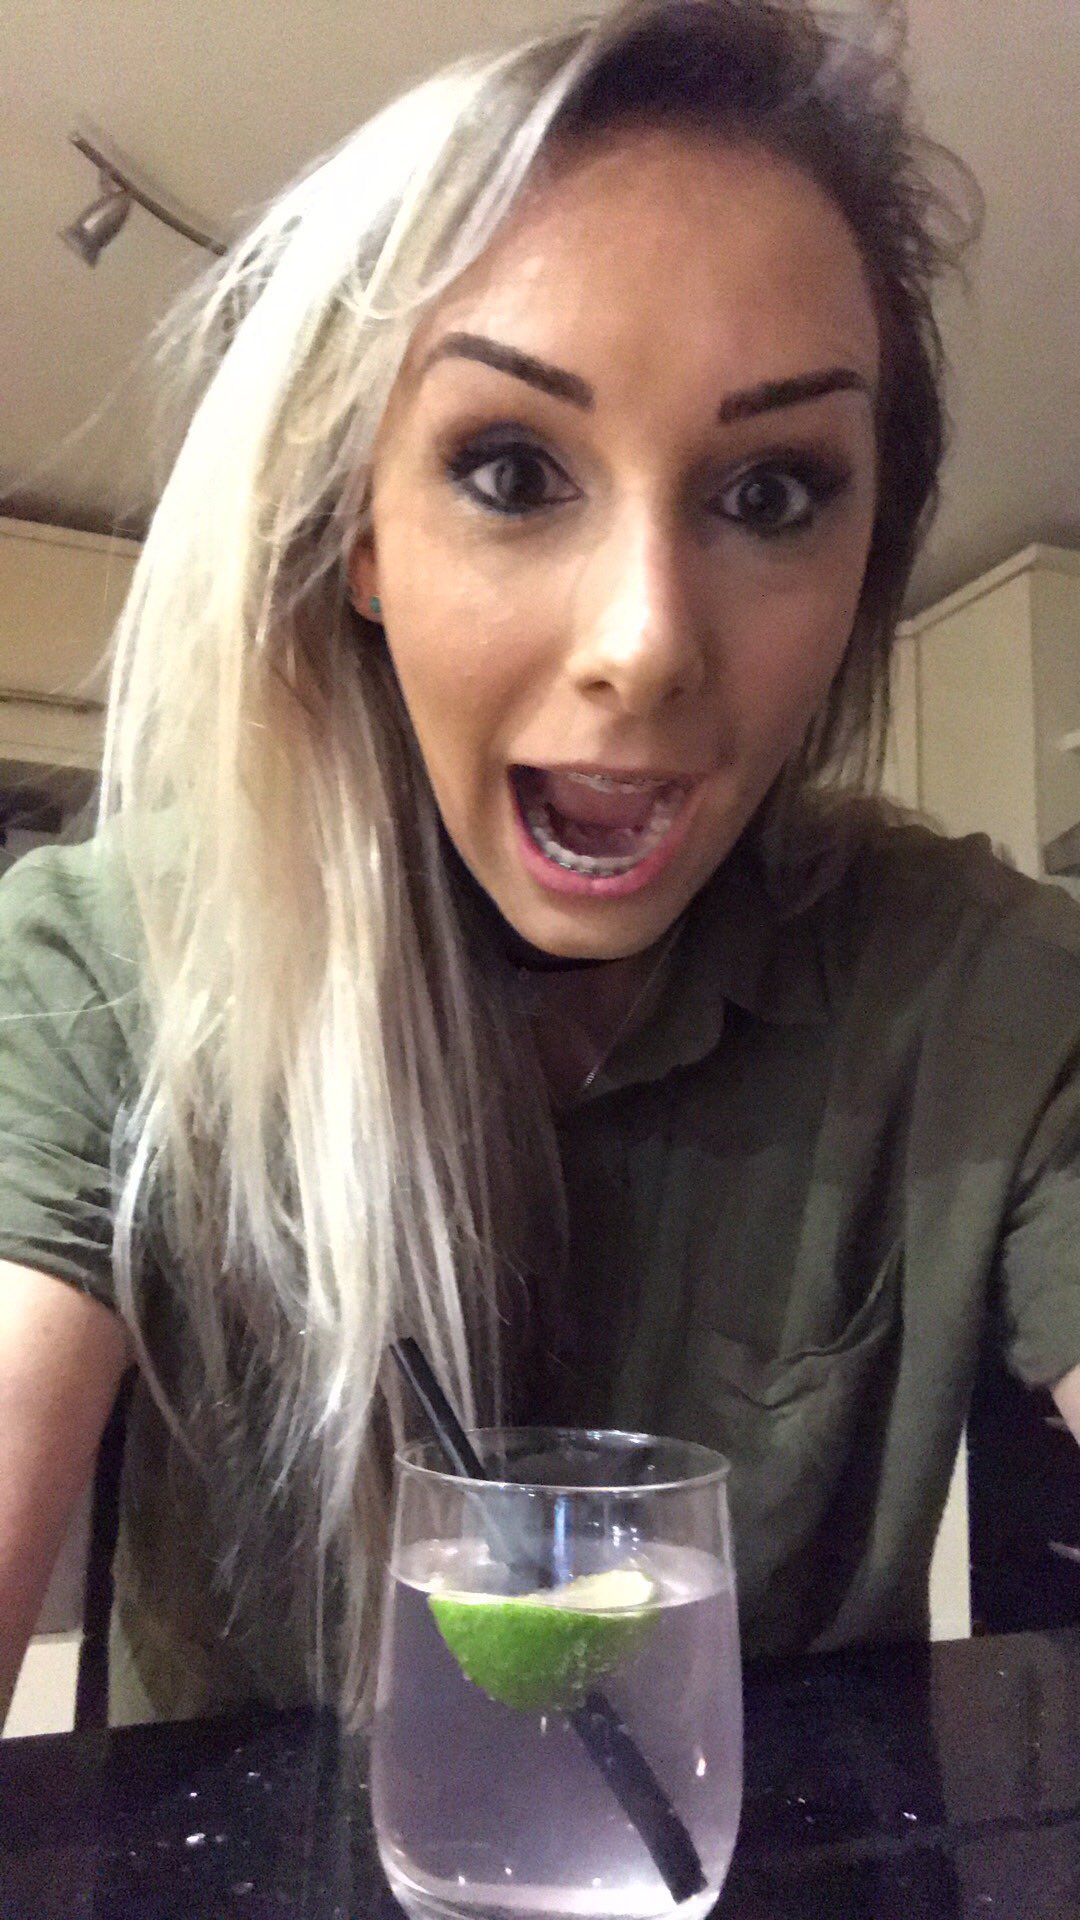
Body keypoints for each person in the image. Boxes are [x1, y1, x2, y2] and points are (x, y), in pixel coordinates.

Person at [1, 0, 1077, 1732]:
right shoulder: (109, 968)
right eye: (512, 470)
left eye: (774, 495)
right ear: (359, 535)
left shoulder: (989, 994)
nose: (645, 643)